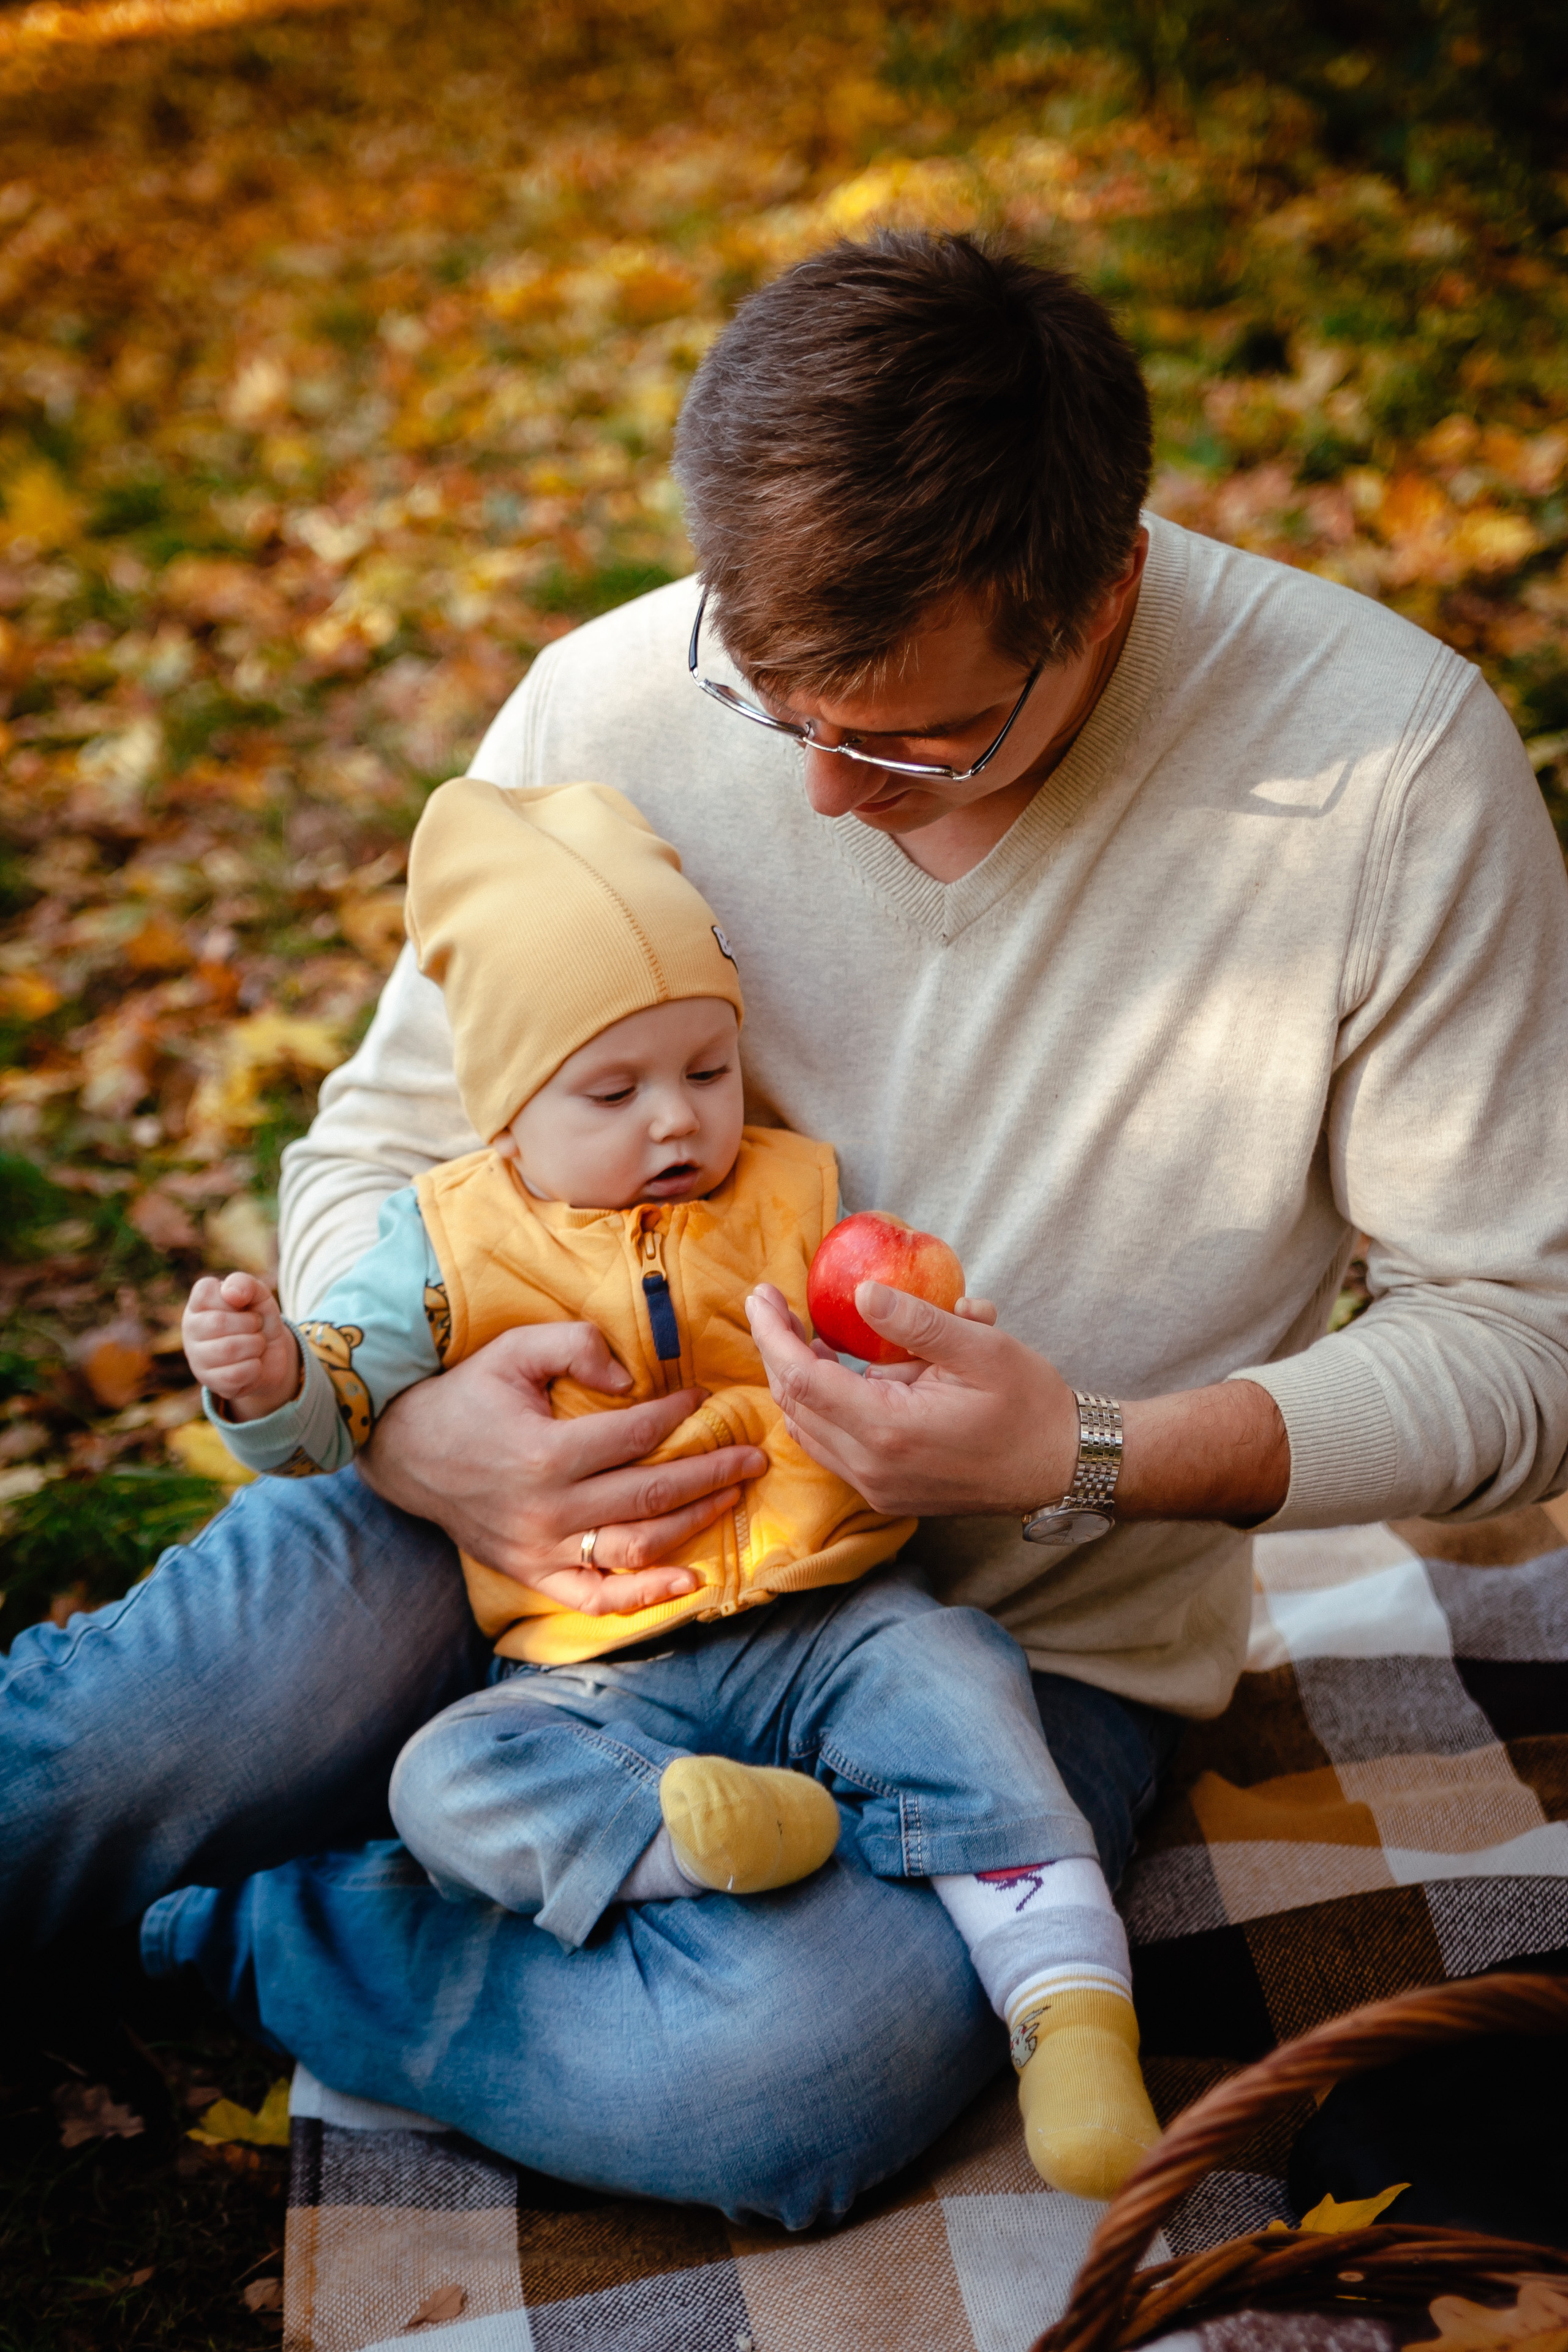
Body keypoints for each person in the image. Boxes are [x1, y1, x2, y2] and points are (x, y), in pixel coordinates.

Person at [5, 232, 1567, 2227]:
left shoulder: (1396, 777)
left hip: (1009, 1637)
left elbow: (1529, 1337)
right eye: (771, 708)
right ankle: (296, 1813)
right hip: (519, 1535)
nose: (822, 794)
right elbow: (379, 1138)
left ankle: (243, 1915)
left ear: (1105, 592)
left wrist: (1084, 1445)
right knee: (129, 1731)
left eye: (916, 737)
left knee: (781, 2076)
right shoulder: (618, 697)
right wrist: (415, 1429)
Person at [181, 772, 1162, 2196]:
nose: (674, 1123)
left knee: (959, 1676)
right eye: (613, 1089)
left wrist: (910, 1355)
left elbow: (876, 1355)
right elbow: (336, 1409)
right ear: (507, 1111)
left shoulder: (785, 1198)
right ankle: (709, 1842)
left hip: (829, 1621)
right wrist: (268, 1382)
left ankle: (1070, 2012)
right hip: (594, 1674)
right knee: (447, 1776)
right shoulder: (446, 1243)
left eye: (705, 1071)